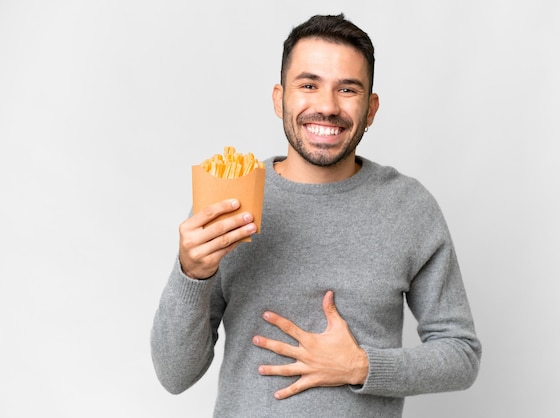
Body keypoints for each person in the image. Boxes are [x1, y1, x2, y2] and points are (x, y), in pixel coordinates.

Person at [151, 13, 481, 417]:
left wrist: (361, 366)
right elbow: (174, 375)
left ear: (371, 108)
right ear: (279, 98)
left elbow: (461, 355)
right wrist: (191, 273)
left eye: (347, 89)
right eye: (309, 85)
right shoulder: (231, 196)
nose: (326, 107)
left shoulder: (408, 206)